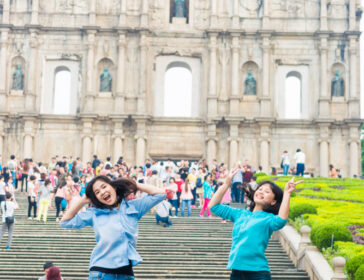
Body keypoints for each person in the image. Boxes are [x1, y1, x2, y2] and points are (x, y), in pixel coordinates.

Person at [60, 175, 165, 280]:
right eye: (97, 192)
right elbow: (65, 222)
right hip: (101, 273)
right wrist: (82, 201)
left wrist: (133, 184)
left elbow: (161, 194)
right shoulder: (94, 213)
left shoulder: (134, 207)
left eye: (104, 187)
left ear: (114, 187)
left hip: (126, 273)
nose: (102, 192)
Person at [208, 169, 302, 280]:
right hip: (236, 272)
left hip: (258, 273)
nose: (261, 192)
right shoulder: (240, 214)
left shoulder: (268, 219)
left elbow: (281, 220)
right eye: (260, 189)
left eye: (267, 192)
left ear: (273, 201)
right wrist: (226, 184)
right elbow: (214, 207)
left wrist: (287, 193)